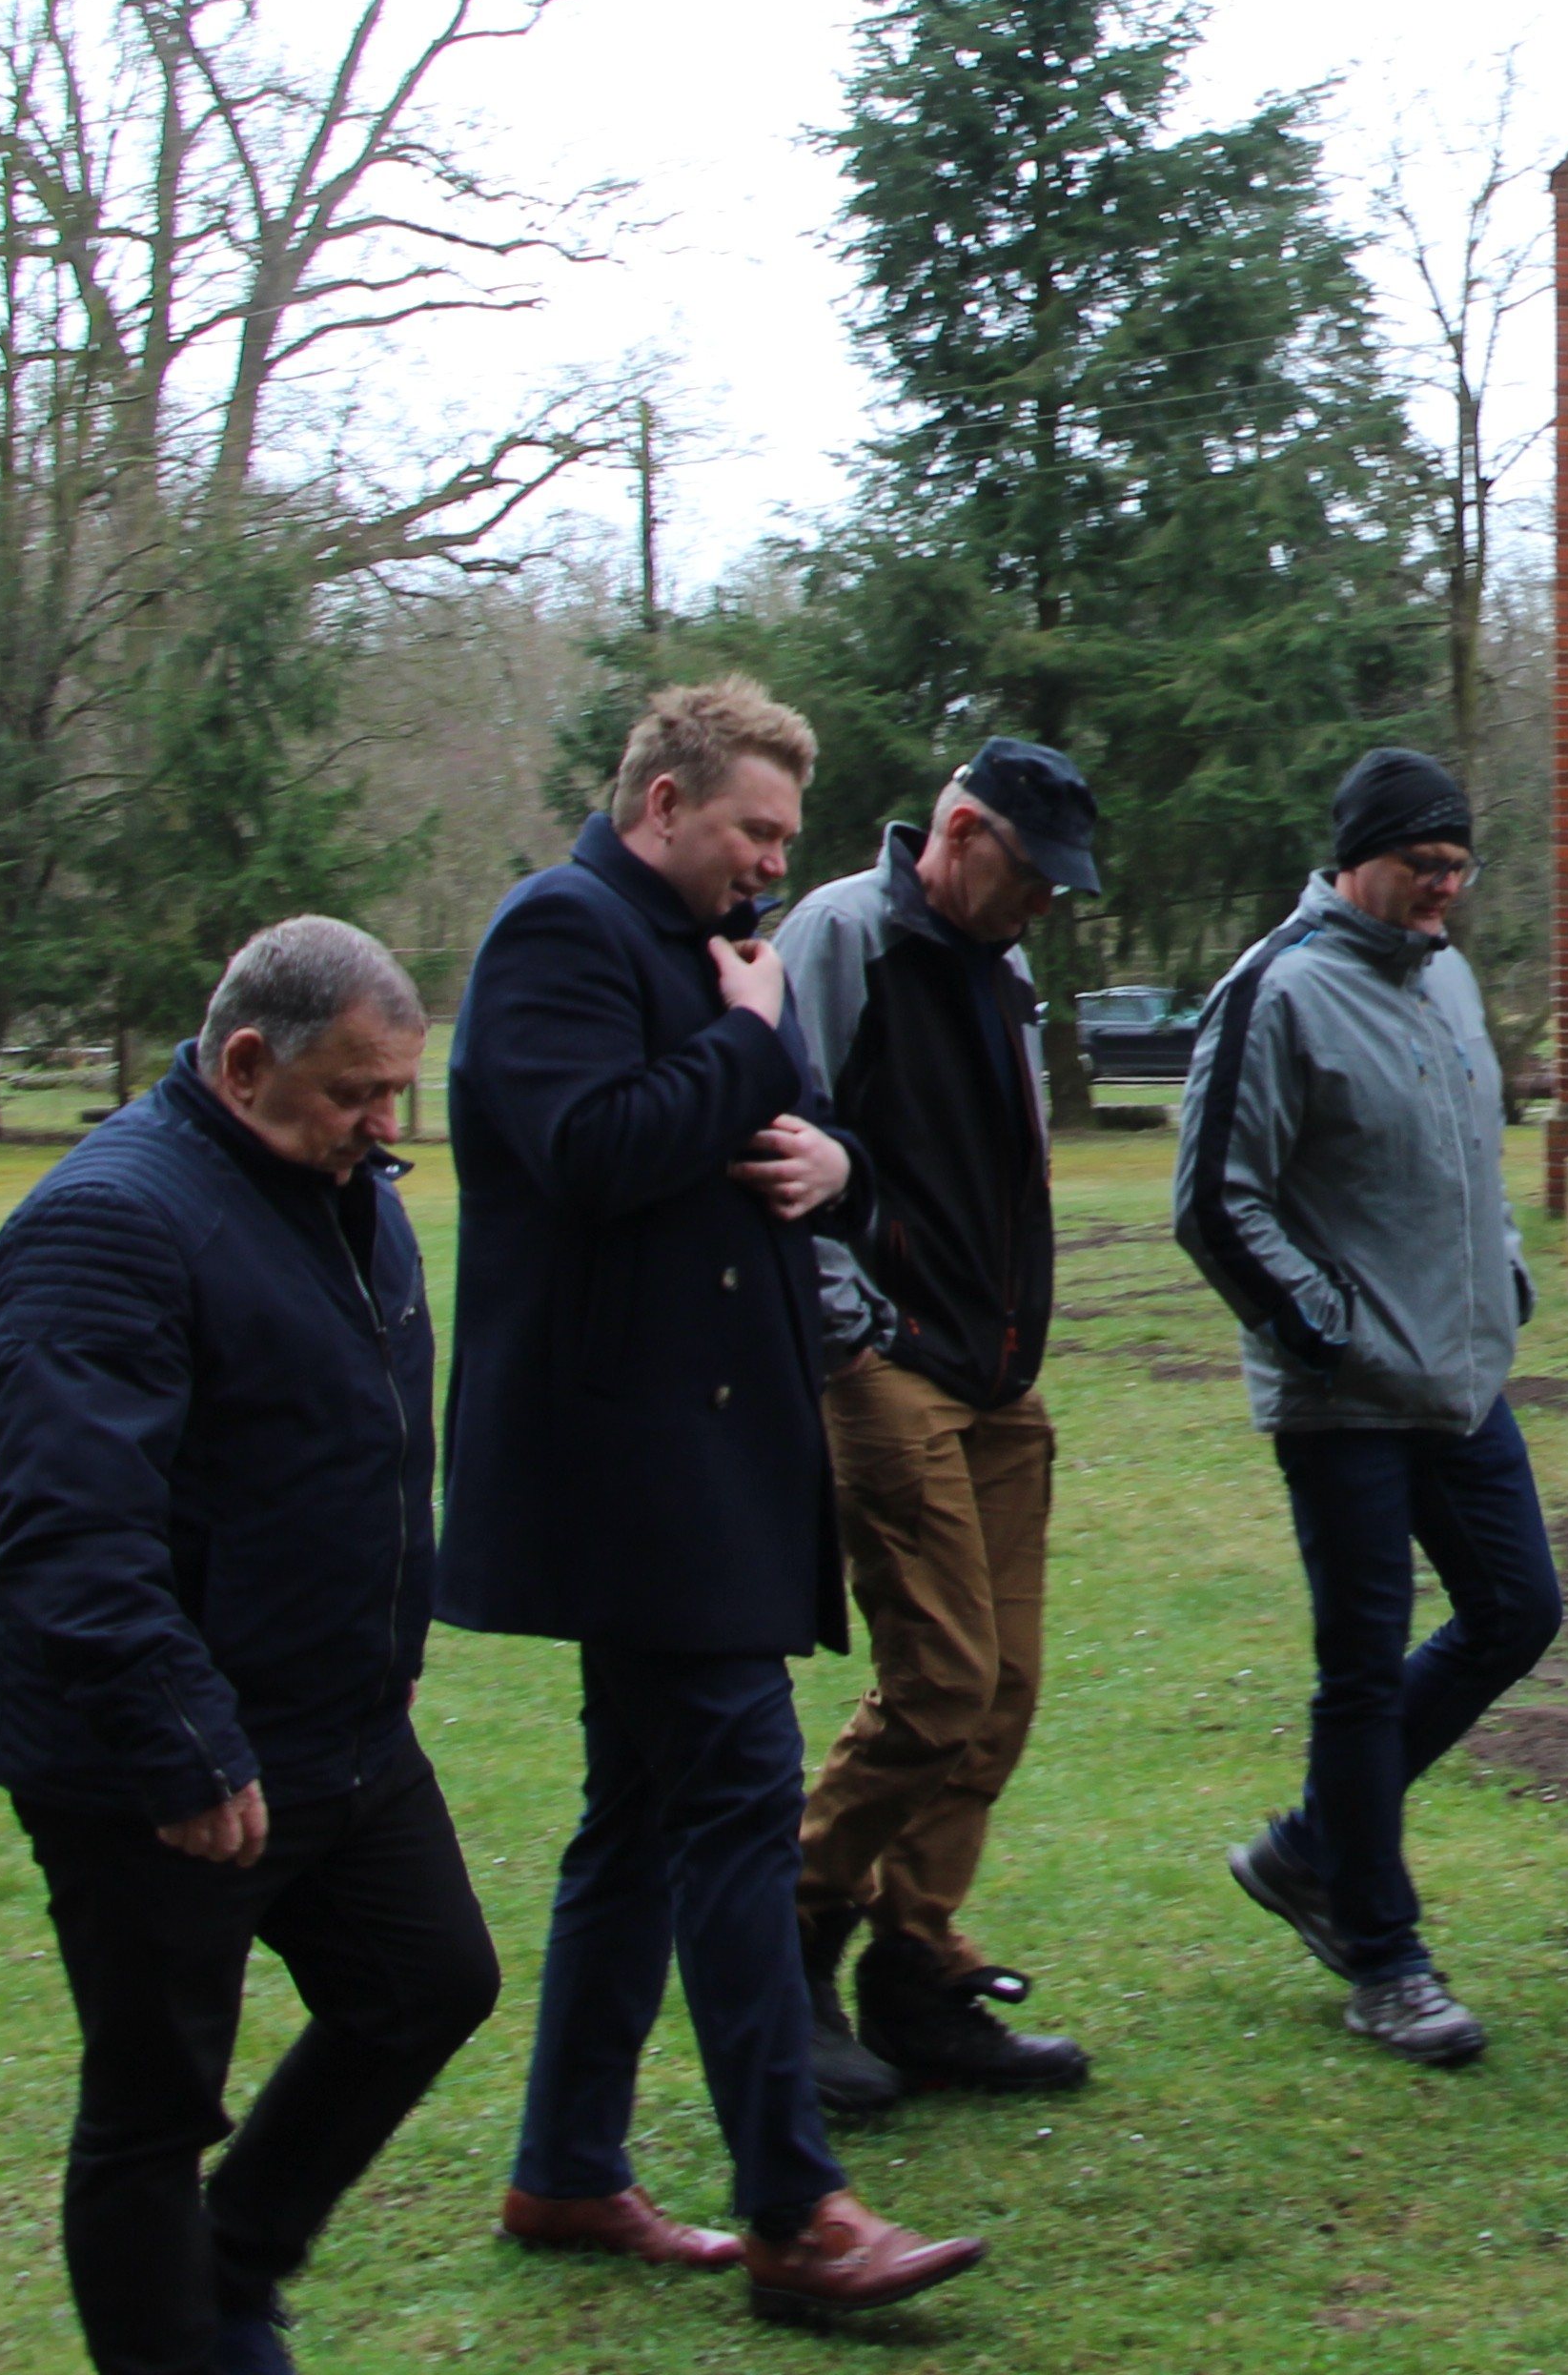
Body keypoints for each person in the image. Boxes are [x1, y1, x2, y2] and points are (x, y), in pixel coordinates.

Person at [440, 679, 983, 2326]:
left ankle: (567, 2168)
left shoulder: (717, 951)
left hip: (719, 1458)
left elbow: (796, 1132)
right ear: (663, 804)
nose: (771, 864)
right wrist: (748, 1043)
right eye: (752, 830)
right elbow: (591, 1149)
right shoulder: (558, 935)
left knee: (635, 1822)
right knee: (741, 1809)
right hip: (636, 1475)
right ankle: (796, 2211)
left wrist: (839, 1167)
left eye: (785, 838)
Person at [0, 916, 498, 2375]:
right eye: (355, 1093)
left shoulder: (346, 1193)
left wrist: (392, 1639)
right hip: (158, 1761)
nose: (385, 1126)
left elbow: (367, 1449)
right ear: (247, 1063)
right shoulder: (109, 1224)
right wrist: (183, 1749)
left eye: (398, 1092)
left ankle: (228, 2274)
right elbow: (78, 1531)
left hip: (342, 1726)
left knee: (427, 1983)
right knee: (154, 2108)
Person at [1172, 745, 1563, 2066]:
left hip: (1459, 1378)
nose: (1445, 888)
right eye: (1423, 866)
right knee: (1361, 1662)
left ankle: (1309, 1845)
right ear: (1358, 862)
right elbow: (1214, 1201)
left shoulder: (1448, 977)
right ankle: (1384, 1958)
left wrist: (1502, 1271)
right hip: (1343, 1400)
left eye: (1459, 866)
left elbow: (1472, 1155)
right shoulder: (1275, 991)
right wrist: (1322, 1330)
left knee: (1518, 1609)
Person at [777, 733, 1110, 2109]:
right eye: (1030, 875)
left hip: (997, 1377)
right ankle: (789, 1940)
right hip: (888, 1364)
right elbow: (775, 1134)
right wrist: (853, 1327)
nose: (1042, 904)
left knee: (1003, 1687)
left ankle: (915, 1970)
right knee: (941, 1681)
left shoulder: (1001, 966)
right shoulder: (840, 939)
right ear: (960, 833)